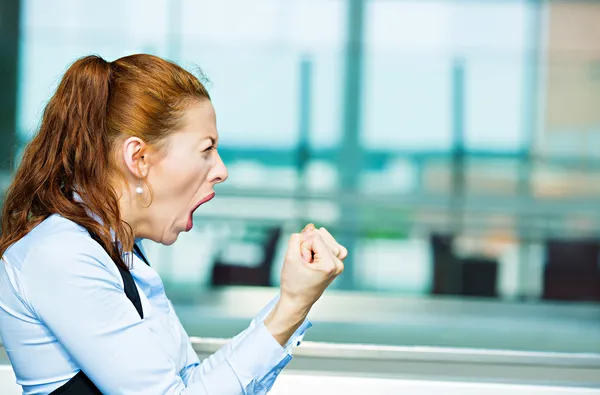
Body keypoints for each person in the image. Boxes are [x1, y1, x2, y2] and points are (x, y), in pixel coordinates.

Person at [0, 54, 346, 394]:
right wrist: (292, 306)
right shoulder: (63, 256)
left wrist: (293, 303)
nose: (221, 170)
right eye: (206, 149)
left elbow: (189, 383)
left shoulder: (122, 254)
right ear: (138, 158)